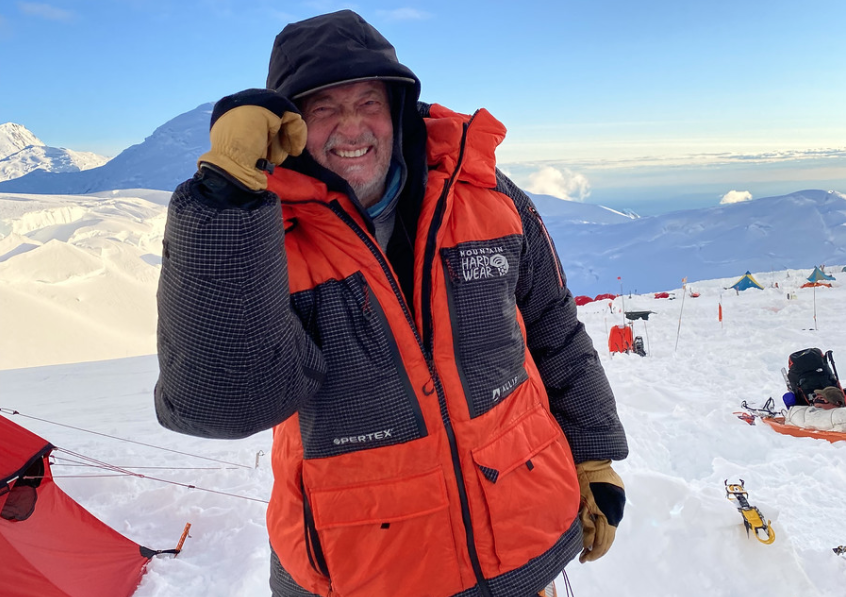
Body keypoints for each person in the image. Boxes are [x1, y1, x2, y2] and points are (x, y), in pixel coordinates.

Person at [155, 10, 628, 597]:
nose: (352, 129)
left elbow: (553, 327)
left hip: (525, 540)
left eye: (369, 102)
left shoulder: (483, 195)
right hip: (365, 571)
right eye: (324, 108)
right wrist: (224, 196)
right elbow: (223, 404)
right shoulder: (263, 238)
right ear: (289, 128)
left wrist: (592, 455)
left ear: (398, 108)